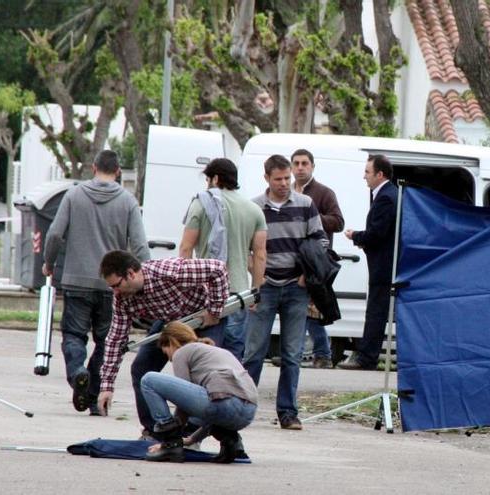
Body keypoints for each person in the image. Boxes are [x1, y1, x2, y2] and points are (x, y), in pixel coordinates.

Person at [43, 150, 150, 415]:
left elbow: (55, 233)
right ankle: (92, 397)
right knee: (107, 341)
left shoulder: (74, 194)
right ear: (117, 172)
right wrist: (145, 277)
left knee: (73, 335)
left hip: (76, 279)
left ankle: (78, 372)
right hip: (113, 286)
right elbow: (139, 244)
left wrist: (49, 262)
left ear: (93, 167)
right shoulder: (127, 201)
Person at [96, 250, 229, 438]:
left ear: (131, 274)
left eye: (117, 286)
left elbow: (218, 269)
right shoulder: (122, 299)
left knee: (204, 371)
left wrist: (214, 312)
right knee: (141, 367)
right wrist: (107, 386)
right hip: (170, 323)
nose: (115, 292)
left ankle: (193, 431)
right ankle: (155, 429)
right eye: (112, 288)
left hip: (202, 318)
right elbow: (116, 338)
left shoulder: (170, 272)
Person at [242, 154, 327, 430]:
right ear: (266, 178)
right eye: (278, 179)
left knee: (292, 354)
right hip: (264, 288)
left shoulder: (305, 205)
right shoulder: (254, 207)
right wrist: (255, 274)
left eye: (287, 178)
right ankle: (243, 406)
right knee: (254, 352)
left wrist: (306, 276)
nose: (284, 184)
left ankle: (288, 412)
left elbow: (320, 241)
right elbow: (243, 246)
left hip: (295, 288)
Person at [179, 158, 267, 360]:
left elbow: (186, 248)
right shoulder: (254, 209)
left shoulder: (201, 203)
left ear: (215, 179)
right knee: (233, 353)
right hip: (239, 293)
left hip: (206, 293)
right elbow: (260, 254)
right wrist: (256, 290)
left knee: (207, 353)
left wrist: (185, 288)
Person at [140, 321, 258, 463]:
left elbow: (183, 404)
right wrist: (190, 440)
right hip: (247, 413)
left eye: (167, 353)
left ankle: (170, 446)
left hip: (224, 404)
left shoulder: (182, 352)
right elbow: (215, 408)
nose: (170, 360)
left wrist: (170, 441)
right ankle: (231, 442)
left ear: (172, 343)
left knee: (148, 380)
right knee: (213, 402)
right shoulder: (217, 352)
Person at [340, 154, 397, 370]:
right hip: (383, 262)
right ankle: (367, 355)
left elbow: (377, 234)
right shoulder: (387, 194)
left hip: (383, 265)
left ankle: (367, 357)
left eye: (367, 172)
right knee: (378, 311)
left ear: (379, 174)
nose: (364, 177)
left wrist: (356, 236)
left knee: (376, 312)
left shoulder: (385, 197)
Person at [291, 148, 344, 369]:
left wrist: (312, 216)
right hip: (291, 259)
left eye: (305, 163)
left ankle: (311, 352)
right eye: (296, 163)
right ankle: (311, 352)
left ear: (312, 166)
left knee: (310, 307)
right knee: (302, 308)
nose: (301, 167)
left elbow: (338, 222)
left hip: (314, 259)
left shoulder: (323, 193)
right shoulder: (286, 191)